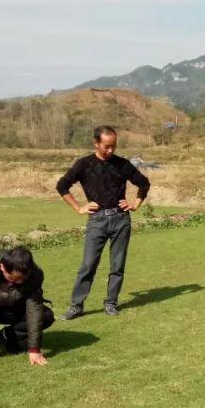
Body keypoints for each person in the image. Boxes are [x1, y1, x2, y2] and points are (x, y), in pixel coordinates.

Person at [56, 125, 151, 319]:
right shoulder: (83, 165)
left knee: (117, 265)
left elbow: (143, 183)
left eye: (113, 146)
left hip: (120, 219)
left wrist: (135, 204)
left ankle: (111, 302)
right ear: (96, 143)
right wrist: (78, 207)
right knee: (88, 264)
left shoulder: (122, 164)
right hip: (97, 220)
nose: (110, 150)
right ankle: (76, 306)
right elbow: (62, 185)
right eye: (106, 146)